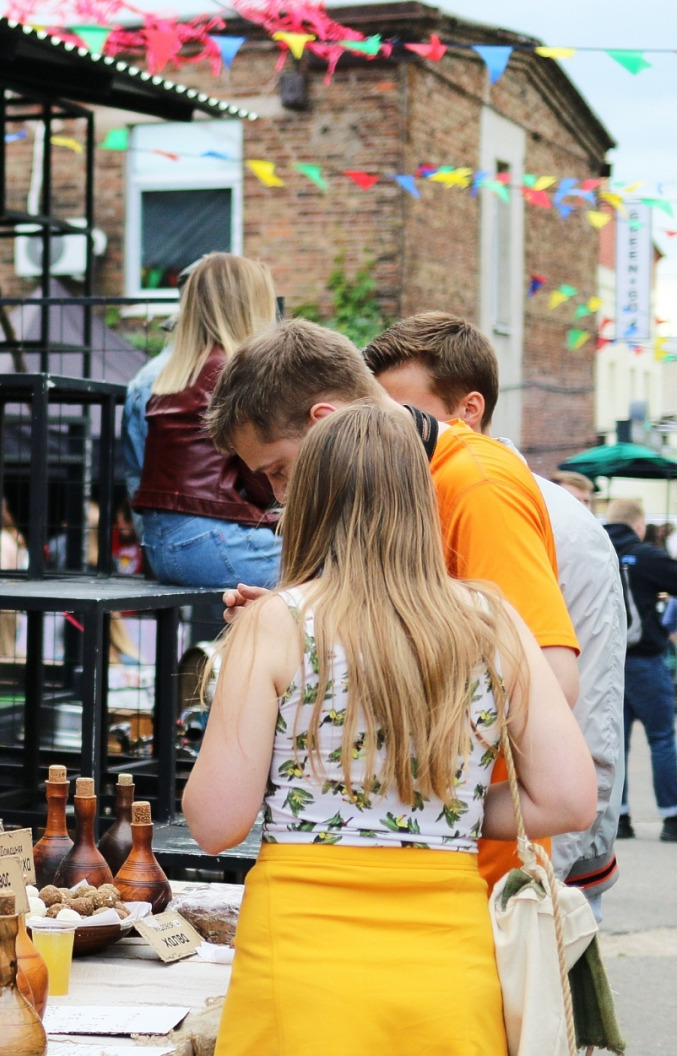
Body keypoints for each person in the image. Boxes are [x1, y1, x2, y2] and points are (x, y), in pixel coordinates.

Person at [185, 404, 595, 1056]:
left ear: (309, 502)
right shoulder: (493, 623)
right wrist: (441, 811)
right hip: (444, 951)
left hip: (298, 953)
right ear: (419, 495)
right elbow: (568, 799)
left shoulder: (276, 624)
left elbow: (214, 820)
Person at [203, 317, 580, 891]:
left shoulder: (476, 486)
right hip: (440, 860)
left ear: (325, 422)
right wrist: (304, 627)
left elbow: (551, 678)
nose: (279, 495)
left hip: (473, 869)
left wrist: (395, 811)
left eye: (278, 470)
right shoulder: (416, 482)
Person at [364, 311, 625, 913]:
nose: (386, 431)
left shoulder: (546, 516)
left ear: (468, 411)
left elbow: (583, 694)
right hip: (472, 827)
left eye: (402, 411)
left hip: (524, 841)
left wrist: (570, 861)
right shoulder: (430, 492)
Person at [122, 253, 280, 590]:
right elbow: (263, 477)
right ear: (249, 305)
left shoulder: (171, 374)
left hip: (163, 546)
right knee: (341, 565)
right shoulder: (234, 371)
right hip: (216, 539)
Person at [602, 497, 677, 842]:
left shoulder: (594, 547)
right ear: (639, 524)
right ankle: (671, 818)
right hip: (645, 660)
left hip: (606, 663)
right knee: (662, 738)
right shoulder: (645, 555)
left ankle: (620, 818)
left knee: (615, 744)